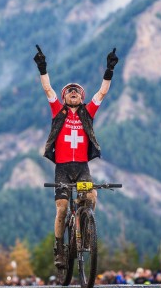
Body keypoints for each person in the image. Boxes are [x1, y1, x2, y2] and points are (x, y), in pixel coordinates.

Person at [33, 44, 119, 268]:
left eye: (77, 91)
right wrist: (42, 68)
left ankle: (86, 228)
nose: (73, 92)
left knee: (90, 198)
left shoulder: (87, 112)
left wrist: (109, 71)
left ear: (81, 97)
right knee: (61, 208)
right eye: (69, 91)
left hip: (82, 167)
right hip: (62, 168)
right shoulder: (57, 111)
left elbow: (102, 93)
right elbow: (48, 90)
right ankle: (59, 248)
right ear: (64, 97)